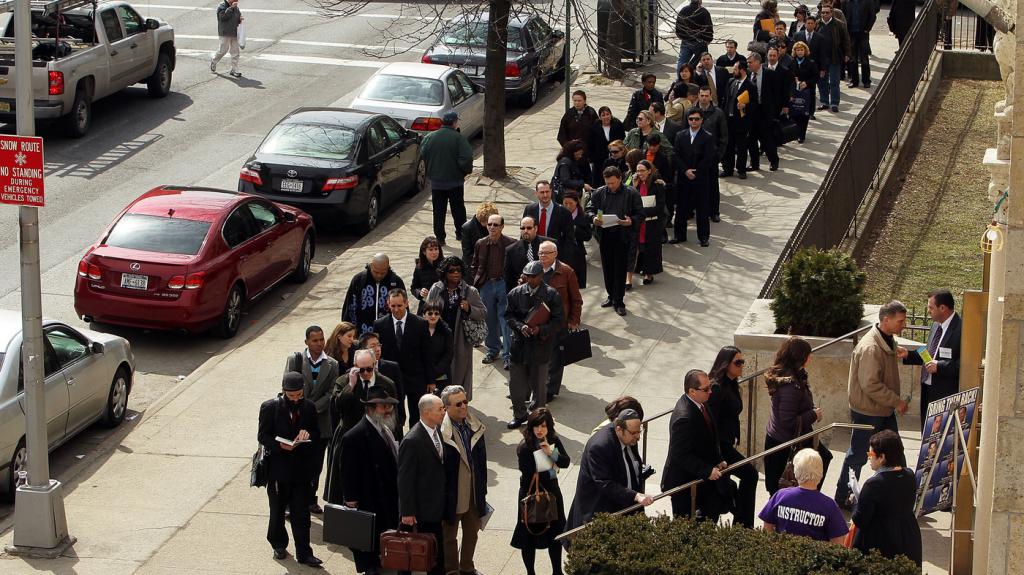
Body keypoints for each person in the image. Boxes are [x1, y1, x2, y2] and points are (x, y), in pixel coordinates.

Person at [834, 301, 910, 508]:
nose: (904, 325)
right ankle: (844, 496)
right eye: (900, 321)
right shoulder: (870, 348)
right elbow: (871, 384)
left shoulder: (886, 340)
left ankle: (900, 495)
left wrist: (896, 349)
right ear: (886, 320)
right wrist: (897, 401)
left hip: (882, 410)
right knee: (858, 456)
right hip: (868, 412)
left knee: (895, 451)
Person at [334, 386, 400, 575]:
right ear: (370, 408)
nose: (388, 410)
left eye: (390, 407)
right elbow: (347, 472)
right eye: (383, 407)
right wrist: (351, 499)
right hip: (368, 497)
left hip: (386, 494)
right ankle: (369, 567)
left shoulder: (386, 429)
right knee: (367, 539)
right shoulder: (354, 437)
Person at [258, 372, 322, 567]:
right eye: (291, 395)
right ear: (284, 391)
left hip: (301, 471)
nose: (295, 399)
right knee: (277, 512)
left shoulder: (309, 408)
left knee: (301, 514)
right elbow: (262, 436)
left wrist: (307, 434)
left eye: (299, 395)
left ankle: (304, 552)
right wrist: (279, 446)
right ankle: (278, 544)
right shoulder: (270, 408)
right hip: (278, 471)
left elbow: (317, 433)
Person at [566, 409, 654, 533]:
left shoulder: (629, 436)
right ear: (619, 429)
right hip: (601, 509)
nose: (638, 437)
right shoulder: (600, 446)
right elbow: (605, 483)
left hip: (626, 505)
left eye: (639, 431)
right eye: (634, 433)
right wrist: (635, 496)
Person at [763, 337, 832, 495]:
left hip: (794, 437)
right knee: (779, 488)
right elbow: (788, 421)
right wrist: (813, 414)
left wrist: (810, 409)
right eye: (809, 354)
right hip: (784, 444)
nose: (811, 358)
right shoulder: (790, 385)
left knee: (824, 458)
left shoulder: (796, 375)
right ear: (802, 357)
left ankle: (808, 498)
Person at [662, 370, 730, 522]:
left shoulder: (701, 404)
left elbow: (709, 435)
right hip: (685, 482)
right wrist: (707, 470)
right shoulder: (684, 417)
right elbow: (680, 454)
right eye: (706, 389)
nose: (710, 392)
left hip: (701, 477)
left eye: (710, 387)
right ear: (692, 391)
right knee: (686, 523)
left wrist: (718, 458)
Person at [284, 326, 338, 515]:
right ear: (306, 342)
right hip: (296, 421)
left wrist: (313, 408)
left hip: (319, 423)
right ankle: (290, 502)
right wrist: (301, 407)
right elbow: (287, 386)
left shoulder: (332, 364)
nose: (319, 343)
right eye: (315, 340)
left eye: (321, 339)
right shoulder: (295, 360)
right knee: (295, 463)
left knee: (315, 464)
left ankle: (310, 498)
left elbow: (332, 392)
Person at [505, 261, 564, 429]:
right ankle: (519, 415)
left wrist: (540, 329)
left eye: (533, 277)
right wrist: (520, 326)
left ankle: (538, 420)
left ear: (541, 276)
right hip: (519, 347)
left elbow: (559, 321)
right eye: (527, 276)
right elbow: (509, 316)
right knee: (516, 385)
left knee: (539, 388)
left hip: (540, 347)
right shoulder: (515, 293)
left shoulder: (552, 295)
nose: (530, 280)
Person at [511, 408, 570, 575]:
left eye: (543, 426)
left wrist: (551, 452)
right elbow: (528, 472)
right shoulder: (525, 447)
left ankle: (557, 571)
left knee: (555, 532)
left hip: (552, 493)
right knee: (528, 535)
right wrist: (549, 462)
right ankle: (531, 572)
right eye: (536, 426)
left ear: (549, 427)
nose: (539, 430)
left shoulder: (553, 440)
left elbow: (566, 462)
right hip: (531, 495)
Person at [852, 430, 923, 566]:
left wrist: (856, 501)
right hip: (908, 537)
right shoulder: (909, 475)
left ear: (882, 457)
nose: (868, 457)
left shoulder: (873, 484)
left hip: (881, 543)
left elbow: (860, 520)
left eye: (871, 454)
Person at [439, 385, 488, 575]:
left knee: (471, 533)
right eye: (458, 404)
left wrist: (482, 488)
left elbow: (481, 462)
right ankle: (452, 570)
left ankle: (467, 567)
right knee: (449, 536)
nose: (463, 406)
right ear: (446, 408)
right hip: (453, 493)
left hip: (473, 491)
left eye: (465, 402)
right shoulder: (441, 431)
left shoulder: (475, 425)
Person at [706, 346, 757, 528]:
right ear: (725, 364)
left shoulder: (731, 384)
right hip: (720, 448)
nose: (742, 365)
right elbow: (710, 424)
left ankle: (742, 522)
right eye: (738, 362)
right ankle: (743, 525)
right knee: (750, 474)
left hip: (727, 444)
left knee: (749, 476)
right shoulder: (716, 388)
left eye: (742, 361)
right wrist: (718, 456)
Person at [397, 394, 448, 575]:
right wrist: (407, 512)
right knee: (410, 556)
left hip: (435, 507)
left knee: (435, 556)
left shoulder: (436, 431)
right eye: (440, 409)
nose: (444, 412)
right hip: (420, 511)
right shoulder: (412, 440)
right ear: (427, 412)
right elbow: (405, 479)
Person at [586, 166, 645, 316]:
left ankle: (619, 300)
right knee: (607, 268)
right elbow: (589, 209)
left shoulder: (631, 193)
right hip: (605, 235)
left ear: (620, 179)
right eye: (608, 183)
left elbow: (641, 214)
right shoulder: (600, 192)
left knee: (619, 269)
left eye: (613, 182)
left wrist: (631, 221)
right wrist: (593, 218)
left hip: (623, 236)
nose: (610, 186)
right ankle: (611, 296)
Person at [759, 448, 848, 544]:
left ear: (796, 473)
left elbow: (767, 527)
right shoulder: (830, 506)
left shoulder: (781, 496)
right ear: (821, 474)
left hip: (782, 553)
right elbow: (838, 542)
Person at [426, 256, 486, 397]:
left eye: (458, 270)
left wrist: (469, 308)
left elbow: (483, 313)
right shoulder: (436, 288)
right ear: (445, 273)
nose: (455, 273)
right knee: (441, 373)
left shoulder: (470, 291)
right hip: (439, 338)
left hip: (461, 339)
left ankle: (459, 402)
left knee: (459, 373)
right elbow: (427, 310)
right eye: (451, 270)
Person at [374, 289, 434, 426]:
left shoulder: (420, 324)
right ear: (388, 304)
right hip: (391, 379)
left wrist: (430, 380)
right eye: (393, 306)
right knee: (394, 416)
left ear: (406, 303)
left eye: (399, 306)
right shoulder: (380, 325)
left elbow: (427, 353)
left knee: (417, 416)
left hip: (415, 378)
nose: (396, 309)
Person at [903, 289, 961, 427]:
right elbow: (929, 355)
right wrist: (907, 354)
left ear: (943, 308)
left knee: (939, 435)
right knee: (926, 431)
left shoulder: (962, 329)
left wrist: (939, 366)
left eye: (931, 307)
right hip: (927, 389)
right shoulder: (935, 325)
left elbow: (964, 365)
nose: (928, 311)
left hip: (944, 392)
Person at [537, 241, 582, 401]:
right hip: (537, 323)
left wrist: (574, 319)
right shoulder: (533, 269)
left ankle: (550, 390)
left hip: (557, 323)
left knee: (555, 358)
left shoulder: (566, 271)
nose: (543, 256)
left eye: (546, 253)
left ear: (555, 254)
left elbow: (576, 299)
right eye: (541, 253)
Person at [421, 111, 473, 245]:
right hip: (455, 181)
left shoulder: (430, 137)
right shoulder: (458, 138)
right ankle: (461, 234)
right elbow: (466, 158)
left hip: (436, 183)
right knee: (458, 209)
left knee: (438, 211)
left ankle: (440, 237)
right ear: (454, 122)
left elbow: (423, 153)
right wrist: (464, 171)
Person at [472, 213, 516, 371]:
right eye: (489, 224)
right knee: (489, 319)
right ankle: (492, 350)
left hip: (504, 285)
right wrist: (478, 282)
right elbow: (475, 264)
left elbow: (516, 265)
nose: (491, 227)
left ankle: (508, 355)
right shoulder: (481, 243)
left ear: (502, 227)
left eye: (495, 225)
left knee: (505, 320)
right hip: (487, 285)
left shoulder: (511, 243)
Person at [332, 348, 400, 442]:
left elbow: (395, 414)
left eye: (369, 369)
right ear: (355, 366)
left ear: (374, 364)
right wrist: (350, 386)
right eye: (362, 370)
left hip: (379, 437)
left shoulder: (387, 384)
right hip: (350, 436)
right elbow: (337, 407)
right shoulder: (343, 381)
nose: (365, 373)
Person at [673, 109, 717, 247]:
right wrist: (685, 170)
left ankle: (703, 237)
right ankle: (679, 235)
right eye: (691, 119)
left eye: (697, 119)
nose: (694, 121)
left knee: (702, 208)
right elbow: (676, 155)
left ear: (701, 120)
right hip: (684, 177)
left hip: (701, 178)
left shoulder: (708, 137)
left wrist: (696, 172)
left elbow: (708, 158)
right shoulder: (680, 135)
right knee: (681, 208)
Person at [342, 253, 406, 335]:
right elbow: (350, 307)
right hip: (362, 333)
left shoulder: (396, 282)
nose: (379, 275)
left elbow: (404, 308)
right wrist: (348, 332)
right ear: (371, 266)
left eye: (383, 273)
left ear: (388, 268)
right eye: (376, 272)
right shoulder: (359, 280)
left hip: (388, 333)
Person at [357, 331, 407, 433]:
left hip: (389, 424)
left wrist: (400, 422)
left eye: (378, 345)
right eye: (373, 346)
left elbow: (400, 397)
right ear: (363, 350)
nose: (377, 349)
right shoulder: (358, 370)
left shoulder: (392, 367)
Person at [690, 86, 728, 222]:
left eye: (707, 95)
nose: (704, 98)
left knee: (712, 185)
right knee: (693, 184)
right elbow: (683, 133)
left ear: (711, 96)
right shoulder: (691, 112)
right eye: (702, 95)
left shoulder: (718, 113)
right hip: (694, 157)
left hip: (711, 157)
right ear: (698, 96)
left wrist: (718, 155)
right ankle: (693, 209)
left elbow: (724, 137)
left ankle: (714, 211)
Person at [628, 160, 665, 285]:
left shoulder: (657, 185)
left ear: (649, 171)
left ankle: (649, 273)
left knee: (650, 248)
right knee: (636, 247)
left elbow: (659, 207)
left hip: (651, 223)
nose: (639, 173)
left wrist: (642, 211)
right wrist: (634, 184)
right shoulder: (635, 184)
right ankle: (633, 273)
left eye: (642, 170)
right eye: (638, 171)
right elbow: (630, 201)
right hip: (638, 222)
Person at [745, 53, 781, 172]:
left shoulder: (770, 74)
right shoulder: (748, 74)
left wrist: (775, 110)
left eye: (750, 62)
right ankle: (754, 164)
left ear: (758, 62)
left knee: (766, 138)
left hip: (764, 112)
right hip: (751, 111)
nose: (748, 65)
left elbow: (777, 93)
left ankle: (774, 161)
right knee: (751, 139)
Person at [722, 60, 754, 180]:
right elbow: (725, 99)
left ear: (742, 70)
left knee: (741, 146)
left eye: (735, 69)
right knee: (728, 145)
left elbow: (755, 104)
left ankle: (741, 169)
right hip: (728, 119)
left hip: (741, 121)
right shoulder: (731, 81)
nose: (733, 72)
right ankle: (728, 169)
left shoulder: (750, 85)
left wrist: (746, 106)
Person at [816, 4, 850, 113]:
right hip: (821, 59)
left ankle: (835, 103)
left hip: (834, 57)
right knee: (822, 81)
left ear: (831, 13)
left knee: (834, 81)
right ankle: (824, 101)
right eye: (823, 12)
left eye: (827, 12)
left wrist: (847, 54)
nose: (825, 14)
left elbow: (846, 40)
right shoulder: (817, 25)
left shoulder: (839, 25)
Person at [505, 216, 552, 294]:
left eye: (529, 228)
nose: (525, 231)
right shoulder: (511, 250)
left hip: (546, 292)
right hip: (522, 294)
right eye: (522, 228)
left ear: (536, 228)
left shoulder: (549, 245)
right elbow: (508, 278)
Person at [525, 180, 573, 249]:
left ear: (551, 192)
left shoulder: (564, 212)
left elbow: (569, 239)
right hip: (533, 251)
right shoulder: (529, 209)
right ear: (536, 193)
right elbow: (524, 232)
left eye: (547, 192)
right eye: (542, 192)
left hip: (554, 253)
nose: (545, 195)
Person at [559, 191, 592, 289]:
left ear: (576, 203)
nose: (568, 206)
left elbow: (588, 236)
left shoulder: (583, 216)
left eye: (571, 203)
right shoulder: (558, 214)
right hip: (561, 253)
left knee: (575, 286)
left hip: (577, 255)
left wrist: (575, 229)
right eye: (565, 204)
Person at [587, 107, 626, 186]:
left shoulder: (618, 124)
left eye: (608, 114)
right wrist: (592, 159)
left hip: (616, 158)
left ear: (611, 115)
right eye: (603, 115)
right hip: (599, 159)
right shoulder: (594, 127)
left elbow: (623, 139)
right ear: (600, 117)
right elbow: (590, 144)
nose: (606, 117)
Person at [789, 41, 819, 143]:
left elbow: (816, 76)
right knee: (795, 113)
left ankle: (802, 134)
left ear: (805, 51)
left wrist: (806, 83)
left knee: (804, 115)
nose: (800, 52)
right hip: (794, 91)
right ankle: (796, 132)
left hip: (806, 91)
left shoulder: (811, 63)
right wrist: (794, 80)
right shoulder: (792, 62)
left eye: (801, 50)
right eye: (798, 50)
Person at [422, 300, 454, 390]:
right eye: (430, 313)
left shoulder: (446, 332)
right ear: (424, 314)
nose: (433, 316)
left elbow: (448, 355)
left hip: (442, 377)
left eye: (436, 313)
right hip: (422, 377)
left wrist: (433, 374)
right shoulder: (417, 330)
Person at [844, 0, 875, 88]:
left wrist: (867, 29)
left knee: (864, 59)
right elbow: (844, 17)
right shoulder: (847, 2)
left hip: (863, 34)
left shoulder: (867, 2)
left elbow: (872, 16)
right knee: (852, 59)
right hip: (851, 34)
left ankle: (866, 81)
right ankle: (854, 81)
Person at [675, 0, 713, 70]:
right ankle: (700, 78)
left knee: (682, 61)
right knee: (703, 62)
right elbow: (708, 28)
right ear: (700, 1)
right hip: (700, 41)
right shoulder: (703, 11)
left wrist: (681, 36)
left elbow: (678, 26)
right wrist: (708, 40)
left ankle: (680, 78)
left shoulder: (684, 10)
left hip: (686, 40)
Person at [411, 236, 444, 315]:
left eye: (436, 249)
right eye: (431, 249)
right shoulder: (419, 268)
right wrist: (420, 292)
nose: (434, 252)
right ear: (424, 252)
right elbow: (414, 287)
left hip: (442, 305)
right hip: (426, 305)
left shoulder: (445, 265)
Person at [211, 0, 243, 77]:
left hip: (234, 32)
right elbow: (223, 18)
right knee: (223, 50)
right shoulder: (222, 6)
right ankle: (214, 61)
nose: (236, 1)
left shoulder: (235, 7)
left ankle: (234, 69)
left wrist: (239, 19)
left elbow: (236, 17)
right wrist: (231, 8)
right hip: (225, 32)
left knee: (235, 52)